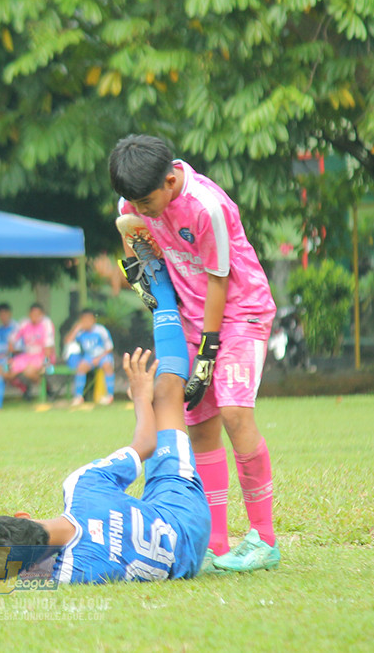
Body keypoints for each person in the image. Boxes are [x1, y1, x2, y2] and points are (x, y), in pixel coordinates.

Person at [108, 134, 280, 573]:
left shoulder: (207, 207)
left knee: (235, 412)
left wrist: (207, 351)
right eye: (133, 202)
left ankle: (264, 539)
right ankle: (214, 541)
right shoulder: (134, 203)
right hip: (189, 317)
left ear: (170, 180)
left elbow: (220, 281)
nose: (141, 210)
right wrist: (144, 279)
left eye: (148, 201)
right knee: (199, 426)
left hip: (240, 312)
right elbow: (133, 239)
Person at [0, 278, 212, 582]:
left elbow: (35, 573)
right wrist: (140, 397)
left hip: (183, 559)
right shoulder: (81, 485)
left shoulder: (72, 574)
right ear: (23, 516)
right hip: (183, 515)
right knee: (166, 394)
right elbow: (146, 444)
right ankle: (162, 288)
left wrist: (15, 565)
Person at [62, 308, 116, 406]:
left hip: (102, 356)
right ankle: (78, 397)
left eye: (89, 319)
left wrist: (98, 358)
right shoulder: (80, 332)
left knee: (107, 365)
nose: (87, 322)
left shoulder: (101, 330)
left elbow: (109, 348)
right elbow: (67, 341)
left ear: (94, 320)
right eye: (84, 320)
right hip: (88, 357)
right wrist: (76, 328)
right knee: (81, 367)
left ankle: (109, 396)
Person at [6, 302, 56, 398]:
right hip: (27, 356)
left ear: (42, 315)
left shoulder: (46, 323)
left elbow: (48, 348)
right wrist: (10, 356)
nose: (35, 317)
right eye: (33, 314)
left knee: (29, 372)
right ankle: (24, 389)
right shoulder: (24, 323)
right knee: (6, 371)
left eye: (38, 314)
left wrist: (45, 363)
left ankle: (48, 390)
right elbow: (12, 339)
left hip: (43, 356)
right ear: (29, 314)